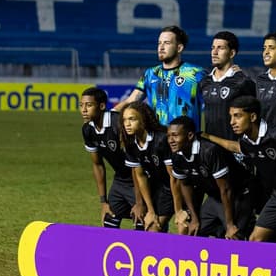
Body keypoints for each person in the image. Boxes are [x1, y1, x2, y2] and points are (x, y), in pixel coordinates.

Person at [207, 95, 276, 244]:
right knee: (254, 240)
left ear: (252, 116)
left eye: (237, 116)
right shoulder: (247, 142)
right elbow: (234, 147)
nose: (232, 122)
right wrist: (208, 136)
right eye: (231, 116)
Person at [167, 116, 254, 240]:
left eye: (175, 135)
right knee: (195, 231)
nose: (171, 140)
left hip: (238, 194)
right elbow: (185, 185)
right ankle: (221, 231)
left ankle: (248, 225)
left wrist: (229, 225)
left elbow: (226, 189)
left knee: (234, 236)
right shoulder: (177, 156)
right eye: (169, 136)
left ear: (190, 135)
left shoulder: (209, 151)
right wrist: (195, 218)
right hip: (216, 197)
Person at [114, 25, 205, 127]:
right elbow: (132, 100)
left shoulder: (196, 73)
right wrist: (111, 113)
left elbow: (211, 104)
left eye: (167, 43)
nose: (161, 47)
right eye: (159, 43)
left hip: (186, 139)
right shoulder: (150, 74)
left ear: (179, 48)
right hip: (158, 138)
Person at [79, 87, 143, 230]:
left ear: (101, 106)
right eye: (81, 105)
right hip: (120, 180)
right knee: (108, 219)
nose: (84, 109)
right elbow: (97, 165)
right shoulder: (87, 130)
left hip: (139, 178)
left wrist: (139, 203)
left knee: (141, 220)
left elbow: (136, 164)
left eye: (89, 105)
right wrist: (103, 202)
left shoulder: (118, 125)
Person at [120, 101, 174, 232]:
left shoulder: (161, 140)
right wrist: (150, 210)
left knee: (153, 229)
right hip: (156, 187)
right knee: (149, 226)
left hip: (173, 187)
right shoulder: (130, 144)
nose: (127, 124)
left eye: (132, 119)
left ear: (143, 120)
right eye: (124, 120)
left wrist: (178, 210)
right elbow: (141, 176)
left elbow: (174, 178)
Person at [200, 31, 257, 141]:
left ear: (232, 53)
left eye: (220, 48)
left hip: (234, 148)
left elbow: (257, 116)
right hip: (209, 148)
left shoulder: (242, 82)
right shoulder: (204, 82)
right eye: (213, 48)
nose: (214, 52)